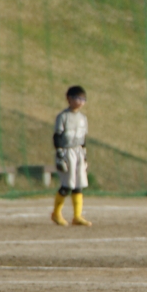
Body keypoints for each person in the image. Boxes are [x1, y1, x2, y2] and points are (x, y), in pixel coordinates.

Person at [52, 85, 91, 226]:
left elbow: (83, 138)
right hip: (67, 151)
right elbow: (57, 136)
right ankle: (56, 213)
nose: (80, 102)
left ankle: (77, 216)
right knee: (67, 185)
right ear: (69, 98)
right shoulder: (63, 116)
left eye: (83, 99)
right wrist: (59, 153)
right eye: (77, 98)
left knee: (79, 185)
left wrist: (84, 155)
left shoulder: (83, 118)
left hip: (78, 151)